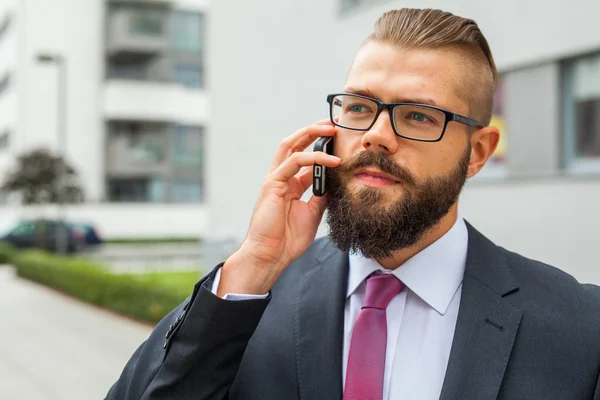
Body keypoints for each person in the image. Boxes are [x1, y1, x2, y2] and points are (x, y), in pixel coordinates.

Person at [106, 8, 600, 400]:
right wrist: (253, 266)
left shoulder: (581, 329)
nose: (377, 136)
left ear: (477, 154)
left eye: (419, 116)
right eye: (360, 108)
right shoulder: (248, 300)